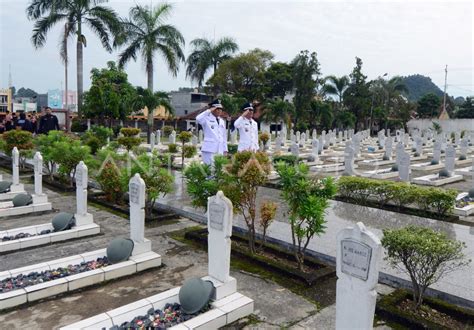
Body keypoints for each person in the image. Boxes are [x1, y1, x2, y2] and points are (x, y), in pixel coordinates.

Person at [196, 99, 228, 166]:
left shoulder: (222, 121)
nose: (219, 111)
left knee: (218, 169)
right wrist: (209, 110)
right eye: (217, 109)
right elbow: (198, 118)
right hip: (209, 149)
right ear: (213, 109)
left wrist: (225, 149)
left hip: (219, 149)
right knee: (209, 170)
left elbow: (224, 136)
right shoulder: (206, 118)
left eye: (221, 109)